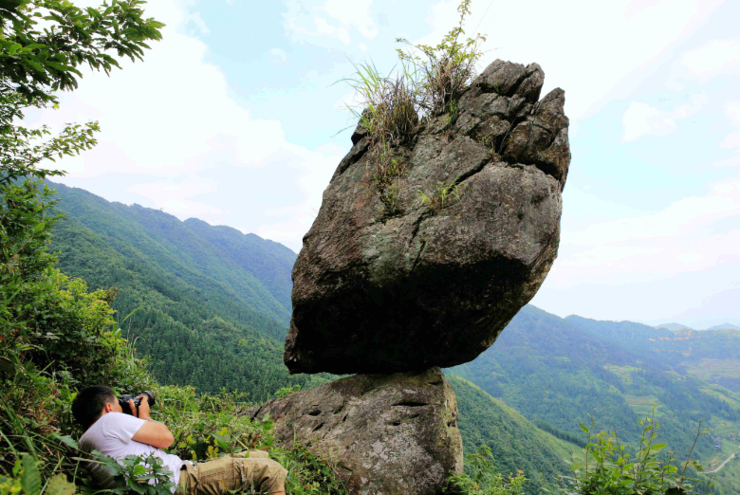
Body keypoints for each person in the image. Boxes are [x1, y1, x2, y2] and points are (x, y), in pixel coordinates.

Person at [72, 385, 287, 495]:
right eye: (118, 405)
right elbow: (166, 438)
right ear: (108, 408)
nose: (122, 408)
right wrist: (144, 415)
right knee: (272, 470)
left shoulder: (86, 443)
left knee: (260, 455)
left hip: (177, 475)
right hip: (181, 482)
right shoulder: (109, 421)